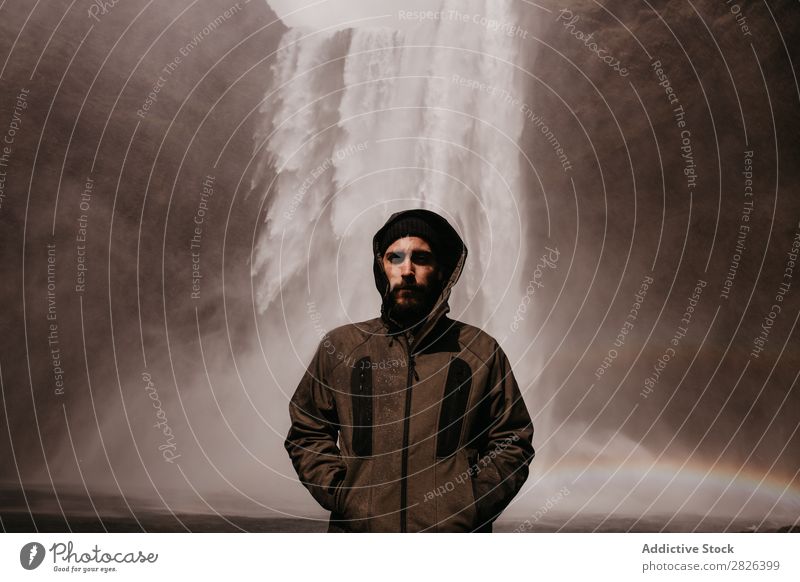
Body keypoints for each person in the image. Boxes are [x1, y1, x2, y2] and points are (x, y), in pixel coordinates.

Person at [284, 208, 534, 532]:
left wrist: (469, 504)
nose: (407, 270)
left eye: (421, 258)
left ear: (442, 270)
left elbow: (513, 439)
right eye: (395, 257)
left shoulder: (481, 352)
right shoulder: (342, 347)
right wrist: (342, 494)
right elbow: (307, 429)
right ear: (382, 267)